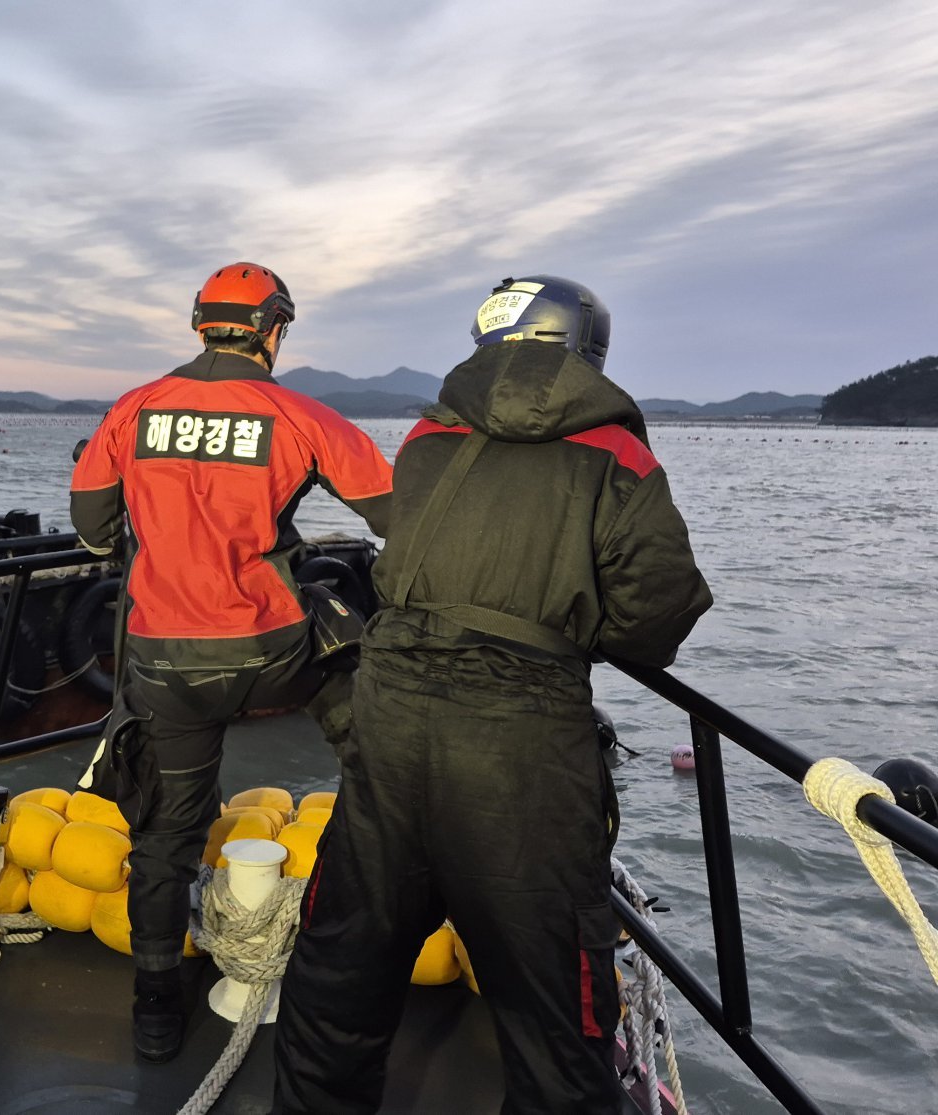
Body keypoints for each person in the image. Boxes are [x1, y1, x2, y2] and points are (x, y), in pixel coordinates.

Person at [272, 275, 713, 1114]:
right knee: (556, 1018)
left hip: (391, 720)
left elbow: (401, 561)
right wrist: (564, 616)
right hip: (522, 748)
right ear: (585, 348)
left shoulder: (429, 435)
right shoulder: (616, 453)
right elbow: (655, 618)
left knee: (340, 972)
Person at [68, 261, 394, 1063]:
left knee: (165, 836)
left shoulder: (133, 409)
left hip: (165, 666)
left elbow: (92, 529)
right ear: (272, 331)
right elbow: (396, 513)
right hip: (273, 653)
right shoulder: (300, 414)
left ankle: (155, 1008)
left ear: (200, 324)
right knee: (356, 683)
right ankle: (384, 830)